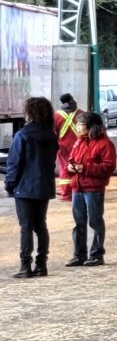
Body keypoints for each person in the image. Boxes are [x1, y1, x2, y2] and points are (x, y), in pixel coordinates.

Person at [5, 96, 57, 278]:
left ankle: (25, 266)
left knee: (26, 227)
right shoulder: (51, 135)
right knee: (41, 225)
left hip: (25, 187)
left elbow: (14, 163)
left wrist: (9, 185)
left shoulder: (23, 135)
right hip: (44, 187)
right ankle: (41, 264)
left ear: (30, 113)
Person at [64, 112, 115, 268]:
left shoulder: (105, 144)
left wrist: (85, 168)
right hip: (77, 187)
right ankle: (79, 255)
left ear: (91, 126)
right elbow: (71, 160)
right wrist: (70, 167)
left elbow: (108, 166)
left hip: (93, 189)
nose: (78, 127)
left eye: (81, 124)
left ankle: (96, 254)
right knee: (79, 222)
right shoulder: (78, 142)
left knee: (95, 221)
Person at [53, 94, 79, 202]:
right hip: (79, 146)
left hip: (63, 147)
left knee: (64, 169)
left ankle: (67, 194)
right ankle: (78, 191)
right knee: (78, 168)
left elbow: (53, 132)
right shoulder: (80, 114)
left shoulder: (56, 116)